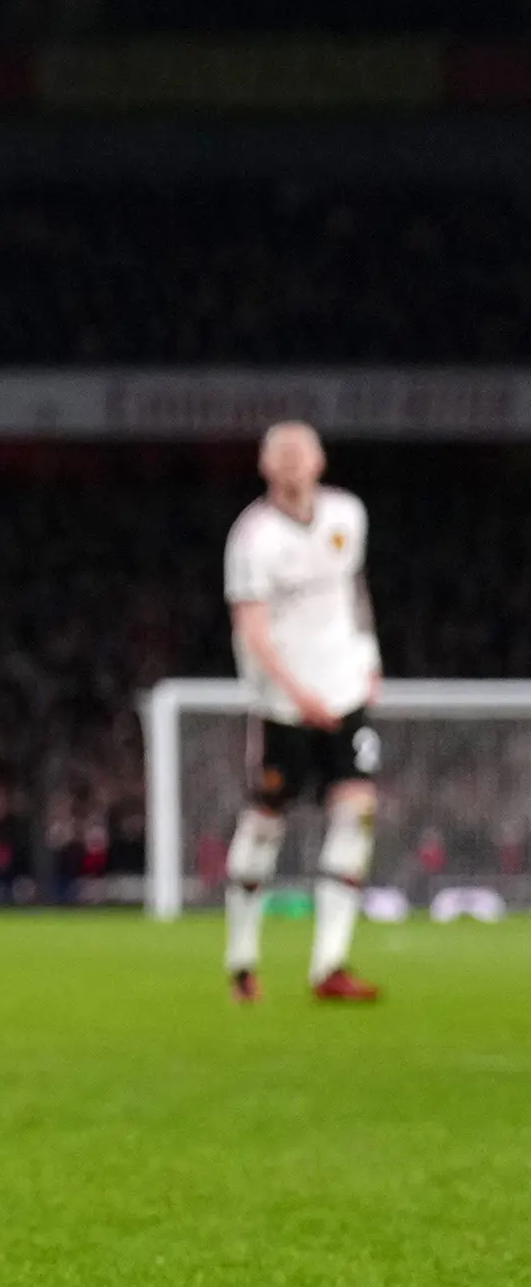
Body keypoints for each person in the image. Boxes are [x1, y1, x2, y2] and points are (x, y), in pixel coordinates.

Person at [220, 420, 383, 1005]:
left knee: (357, 812)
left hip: (343, 690)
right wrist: (298, 693)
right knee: (267, 821)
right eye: (281, 454)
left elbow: (354, 588)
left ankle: (330, 964)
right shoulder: (253, 538)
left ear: (319, 461)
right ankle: (242, 961)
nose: (292, 461)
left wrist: (369, 657)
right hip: (283, 704)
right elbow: (252, 629)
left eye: (301, 452)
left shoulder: (347, 514)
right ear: (265, 466)